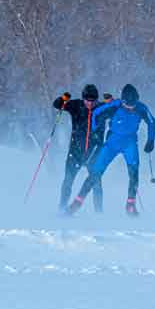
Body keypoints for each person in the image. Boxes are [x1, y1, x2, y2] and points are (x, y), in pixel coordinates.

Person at [67, 84, 155, 217]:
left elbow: (152, 122)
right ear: (123, 101)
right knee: (95, 173)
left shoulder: (141, 108)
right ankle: (77, 202)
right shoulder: (115, 105)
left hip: (129, 143)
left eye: (132, 105)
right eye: (127, 105)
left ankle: (130, 205)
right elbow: (96, 114)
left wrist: (150, 141)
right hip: (112, 143)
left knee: (134, 172)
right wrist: (93, 130)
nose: (130, 108)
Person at [53, 84, 107, 213]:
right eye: (87, 100)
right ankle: (62, 208)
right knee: (68, 180)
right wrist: (63, 99)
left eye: (93, 101)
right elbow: (57, 104)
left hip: (94, 153)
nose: (89, 103)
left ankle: (99, 212)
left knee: (96, 183)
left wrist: (111, 101)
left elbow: (118, 109)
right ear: (83, 98)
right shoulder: (76, 105)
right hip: (75, 152)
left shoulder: (102, 108)